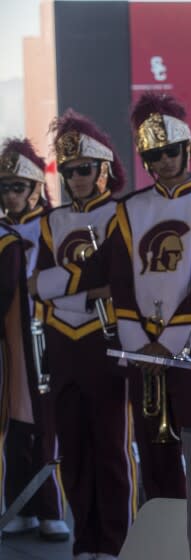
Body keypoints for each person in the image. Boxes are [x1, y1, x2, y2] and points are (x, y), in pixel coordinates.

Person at [108, 93, 191, 499]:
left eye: (170, 151)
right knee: (152, 454)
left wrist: (166, 345)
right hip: (142, 349)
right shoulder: (128, 210)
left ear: (188, 149)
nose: (162, 161)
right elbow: (119, 279)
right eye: (153, 154)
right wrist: (143, 349)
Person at [27, 111, 137, 559]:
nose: (74, 178)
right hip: (62, 345)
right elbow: (36, 285)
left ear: (104, 169)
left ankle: (114, 544)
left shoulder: (122, 215)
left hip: (105, 342)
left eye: (83, 169)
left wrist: (63, 289)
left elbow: (118, 282)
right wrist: (86, 289)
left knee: (111, 449)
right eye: (67, 171)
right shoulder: (50, 221)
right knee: (72, 451)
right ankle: (83, 542)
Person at [0, 139, 69, 541]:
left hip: (47, 333)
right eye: (4, 186)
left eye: (17, 186)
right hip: (11, 338)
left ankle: (49, 508)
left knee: (45, 424)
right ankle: (19, 505)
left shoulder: (55, 225)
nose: (10, 194)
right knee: (14, 422)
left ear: (35, 188)